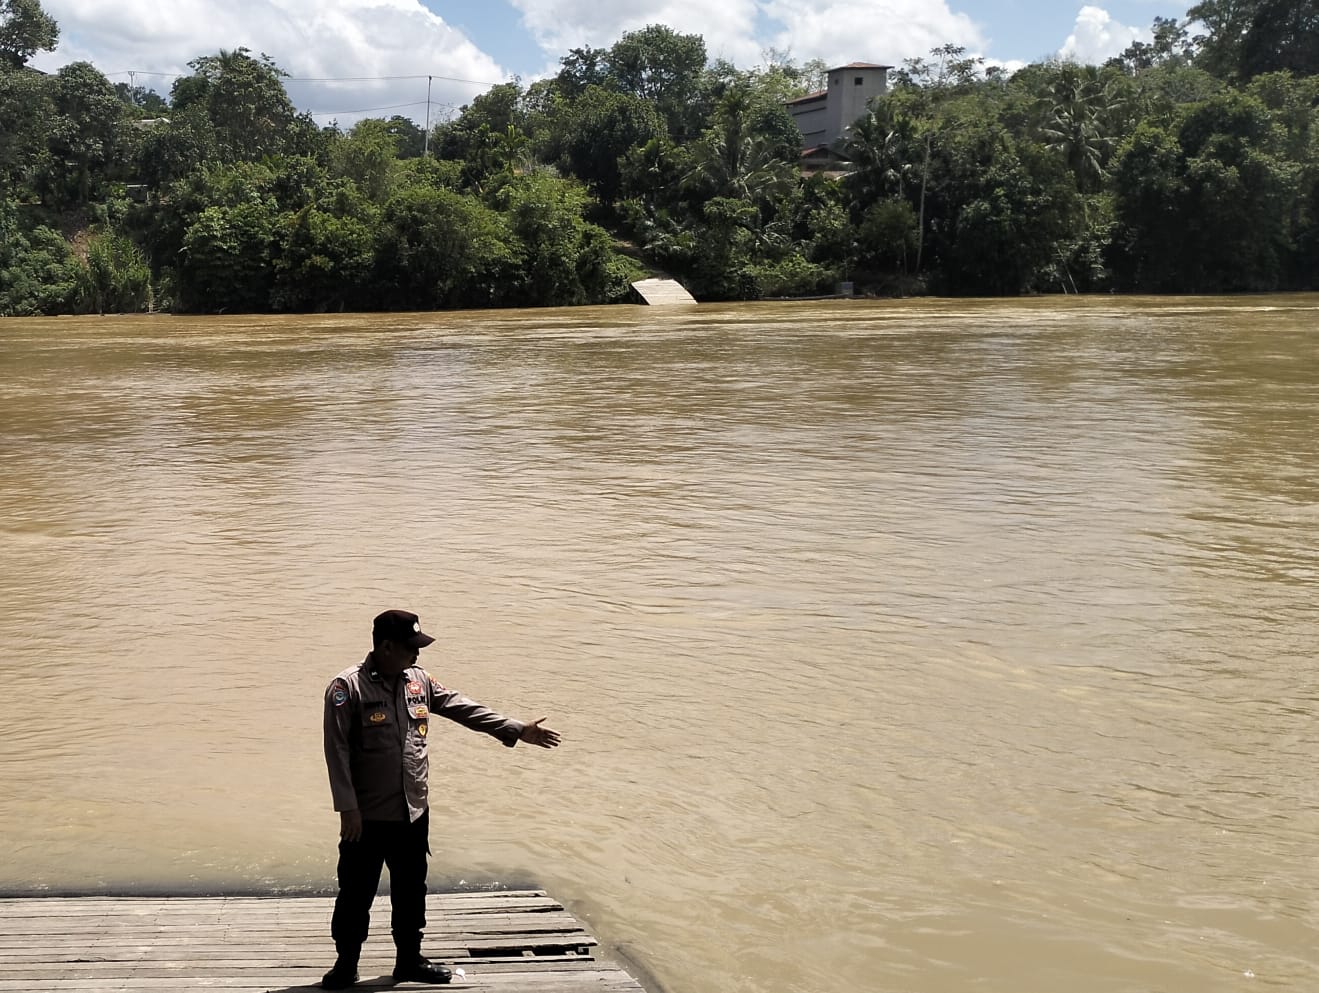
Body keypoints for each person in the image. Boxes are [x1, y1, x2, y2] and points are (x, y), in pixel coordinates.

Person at [321, 608, 561, 989]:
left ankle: (409, 961)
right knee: (355, 893)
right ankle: (346, 964)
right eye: (410, 647)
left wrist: (515, 729)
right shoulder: (347, 688)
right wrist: (347, 807)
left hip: (413, 812)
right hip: (365, 818)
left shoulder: (419, 681)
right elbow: (336, 752)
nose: (417, 654)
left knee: (411, 891)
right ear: (386, 647)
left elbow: (462, 707)